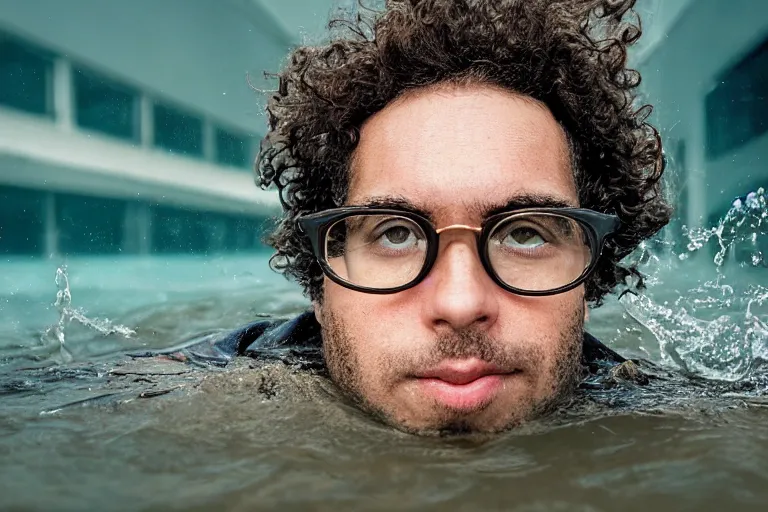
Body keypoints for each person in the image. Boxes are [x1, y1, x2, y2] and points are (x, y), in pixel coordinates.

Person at [162, 0, 672, 435]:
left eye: (524, 233)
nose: (460, 303)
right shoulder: (183, 386)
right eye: (396, 233)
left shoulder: (673, 414)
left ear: (590, 279)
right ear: (320, 286)